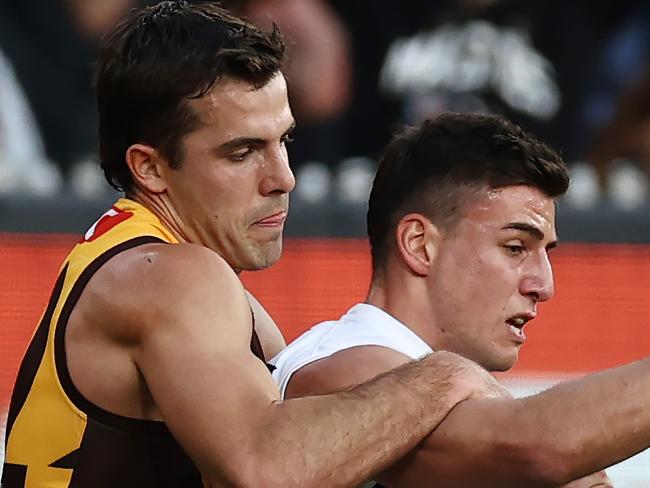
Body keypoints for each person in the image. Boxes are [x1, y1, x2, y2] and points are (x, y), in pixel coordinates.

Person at [0, 3, 506, 487]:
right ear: (149, 167)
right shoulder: (168, 275)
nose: (283, 178)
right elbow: (266, 472)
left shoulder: (141, 258)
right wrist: (442, 377)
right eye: (242, 152)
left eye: (283, 142)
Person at [271, 112, 650, 487]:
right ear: (420, 245)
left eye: (545, 252)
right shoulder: (339, 367)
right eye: (515, 247)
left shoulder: (458, 398)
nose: (544, 285)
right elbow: (533, 449)